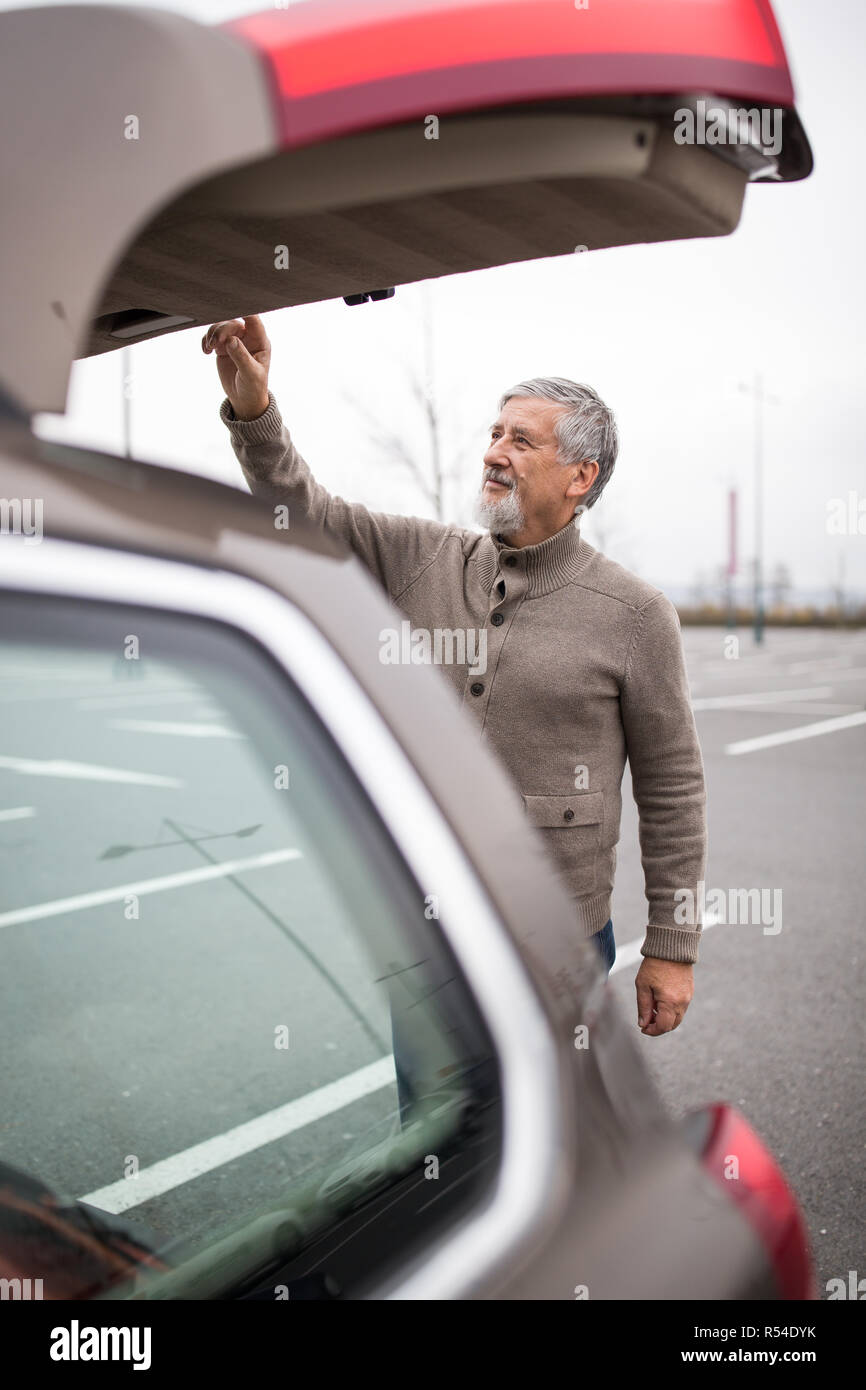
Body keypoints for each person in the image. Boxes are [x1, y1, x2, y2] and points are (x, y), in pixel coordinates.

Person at [203, 314, 707, 1040]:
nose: (495, 453)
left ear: (581, 477)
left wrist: (672, 946)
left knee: (547, 1140)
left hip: (556, 944)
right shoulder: (420, 557)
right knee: (437, 1124)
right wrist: (255, 410)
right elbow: (302, 514)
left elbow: (673, 789)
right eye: (496, 433)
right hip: (427, 930)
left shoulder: (636, 615)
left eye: (521, 440)